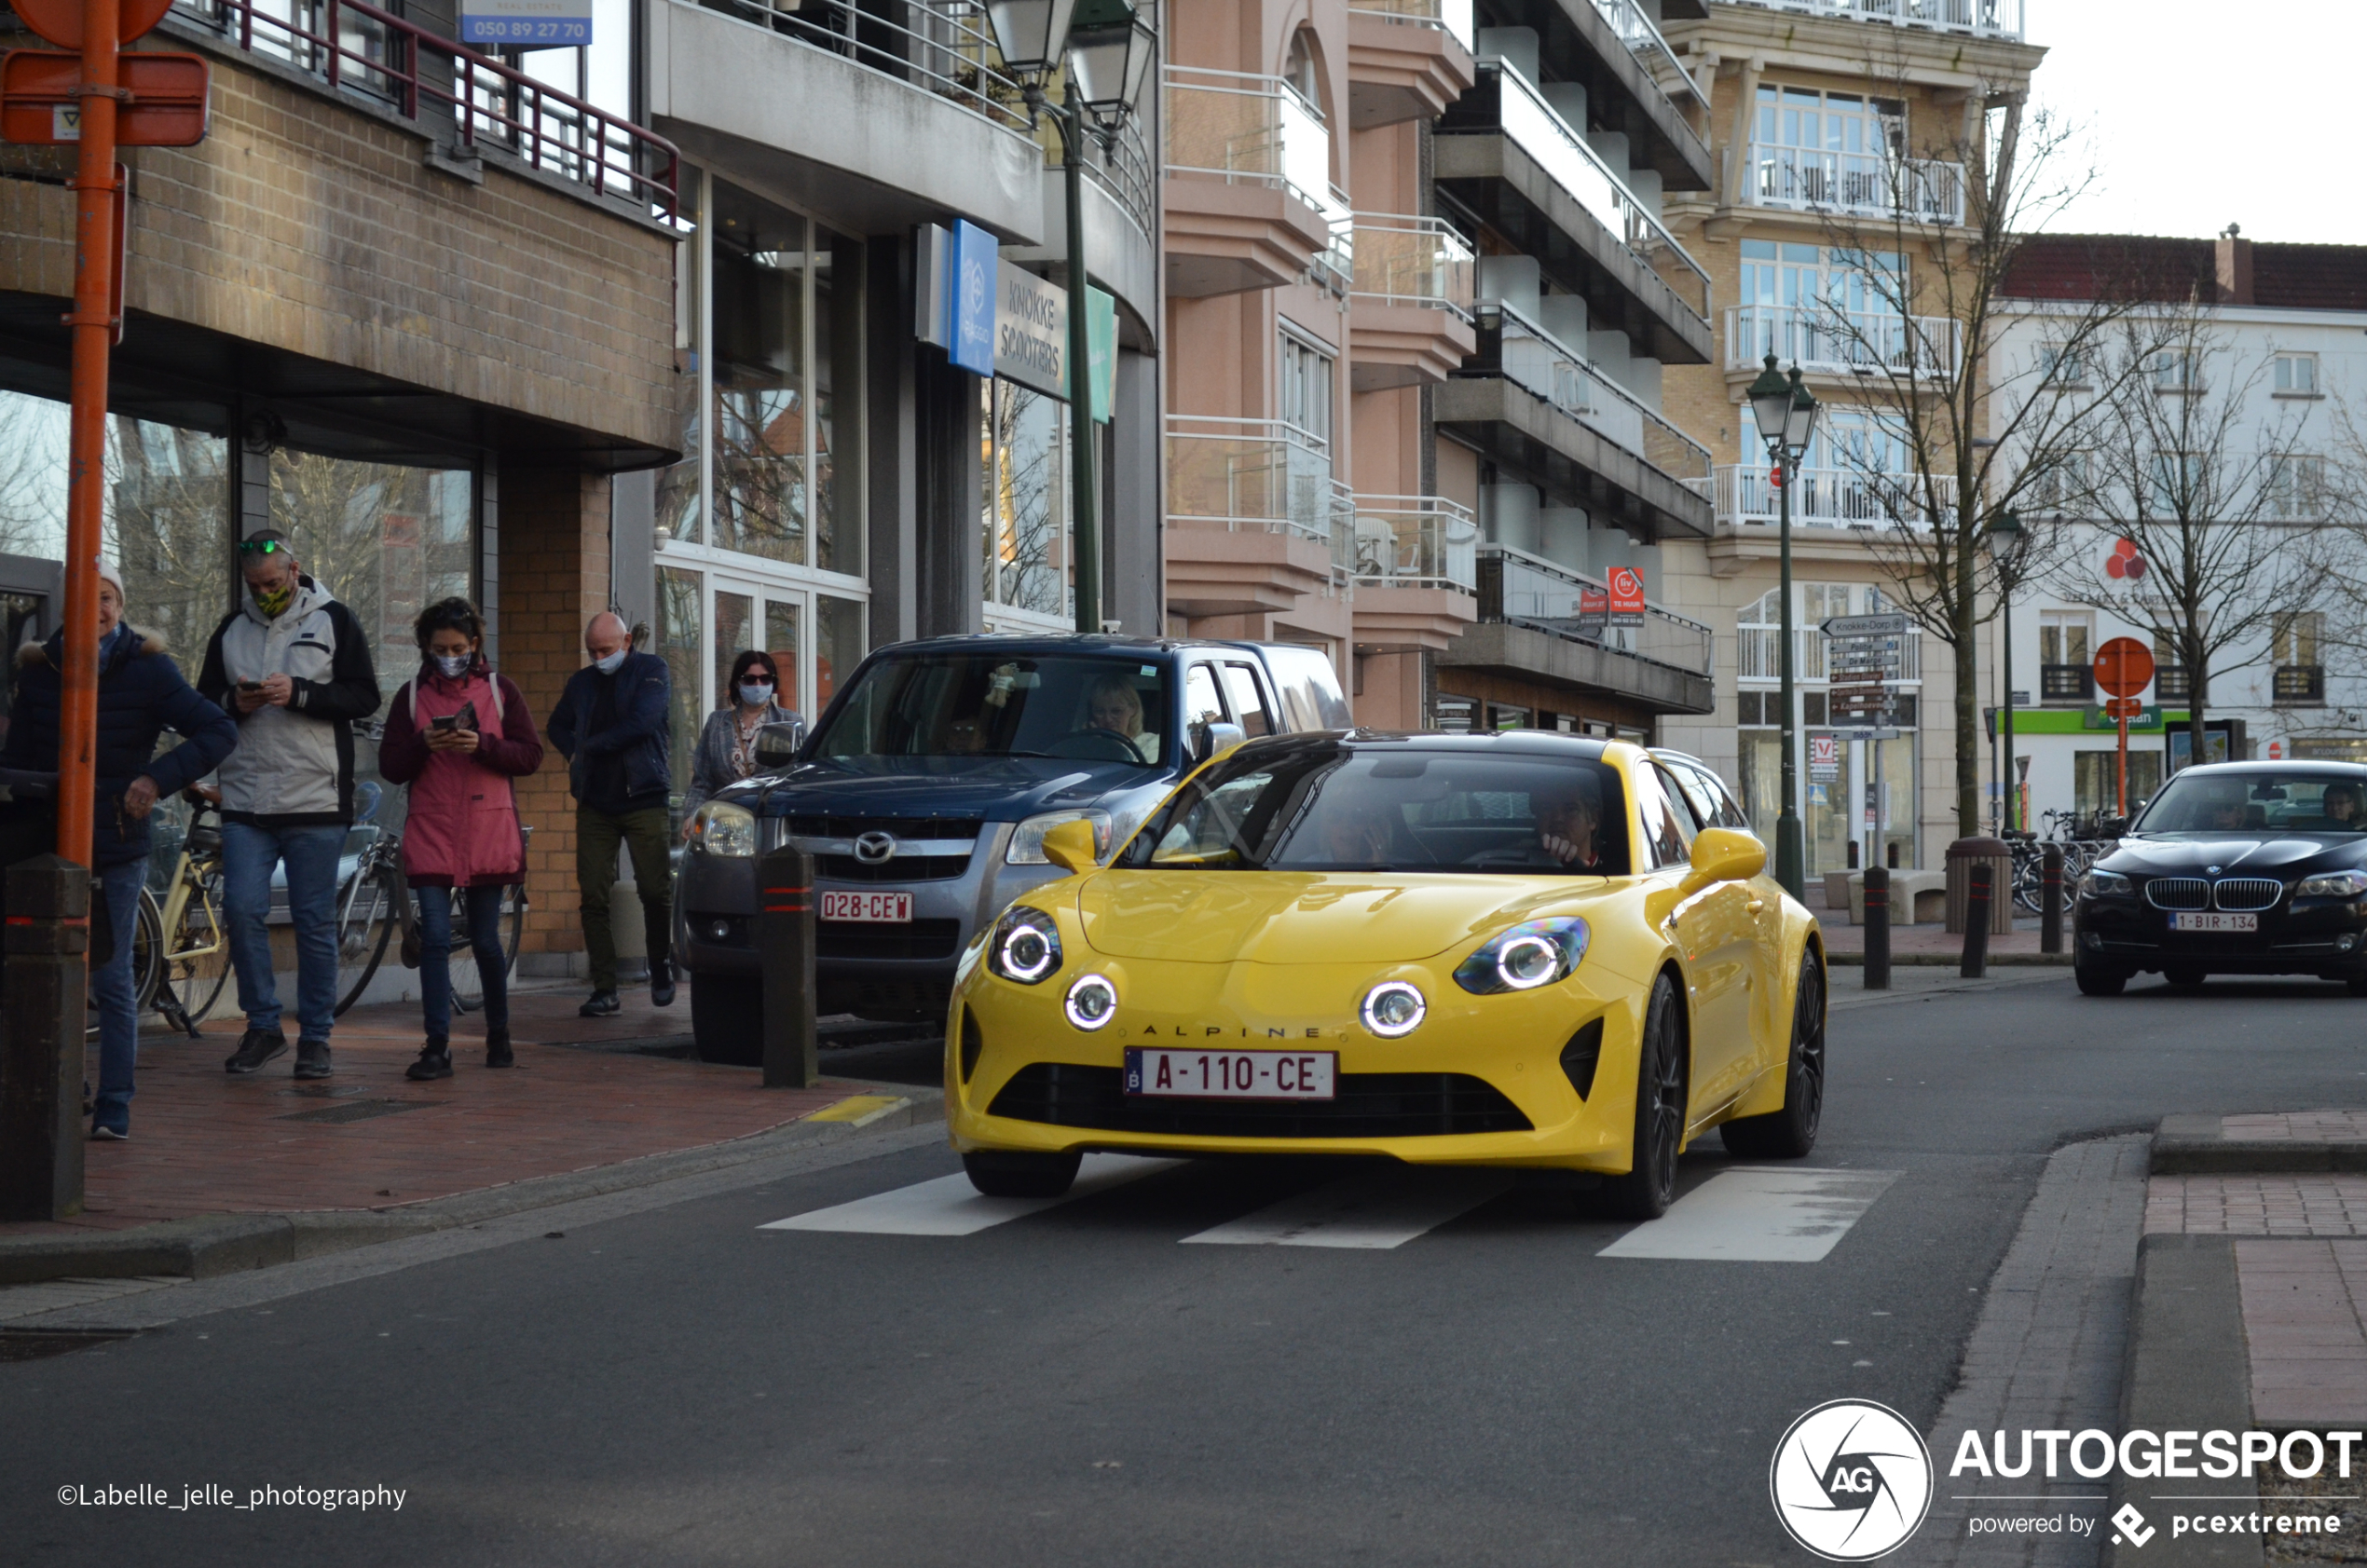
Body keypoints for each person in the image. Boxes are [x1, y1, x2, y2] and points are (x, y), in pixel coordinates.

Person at [0, 564, 236, 1139]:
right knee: (31, 969)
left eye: (106, 599)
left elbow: (218, 730)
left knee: (109, 976)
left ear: (120, 605)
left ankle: (114, 1105)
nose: (97, 610)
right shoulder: (40, 670)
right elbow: (22, 759)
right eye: (86, 599)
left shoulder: (149, 668)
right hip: (44, 842)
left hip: (115, 842)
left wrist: (156, 780)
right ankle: (53, 1090)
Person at [197, 532, 381, 1081]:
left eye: (274, 583)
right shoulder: (230, 629)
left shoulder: (334, 619)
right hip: (247, 796)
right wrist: (236, 701)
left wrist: (300, 693)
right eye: (256, 586)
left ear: (295, 570)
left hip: (316, 796)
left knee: (313, 922)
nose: (265, 593)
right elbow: (202, 703)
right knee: (243, 910)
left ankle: (316, 1039)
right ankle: (263, 1027)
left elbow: (364, 695)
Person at [376, 598, 543, 1081]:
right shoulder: (410, 696)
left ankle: (499, 1033)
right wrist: (422, 743)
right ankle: (436, 1047)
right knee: (432, 939)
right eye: (439, 648)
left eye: (458, 647)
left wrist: (483, 745)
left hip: (488, 830)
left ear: (474, 645)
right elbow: (391, 766)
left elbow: (530, 755)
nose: (449, 655)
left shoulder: (500, 689)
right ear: (425, 648)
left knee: (487, 940)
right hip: (432, 828)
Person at [547, 612, 674, 1017]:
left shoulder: (651, 670)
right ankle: (605, 987)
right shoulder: (581, 683)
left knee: (654, 890)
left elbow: (643, 723)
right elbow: (556, 725)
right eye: (592, 651)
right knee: (593, 894)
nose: (599, 657)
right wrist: (573, 751)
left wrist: (589, 747)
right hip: (595, 803)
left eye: (606, 649)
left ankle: (660, 966)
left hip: (644, 796)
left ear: (627, 642)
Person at [686, 649, 800, 812]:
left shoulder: (790, 722)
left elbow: (795, 779)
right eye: (750, 679)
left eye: (765, 679)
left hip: (771, 816)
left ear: (774, 682)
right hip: (724, 820)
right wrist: (692, 814)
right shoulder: (716, 723)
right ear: (737, 683)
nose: (758, 685)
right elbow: (702, 782)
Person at [1083, 675, 1158, 763]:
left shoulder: (1152, 744)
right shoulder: (1083, 745)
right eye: (1100, 711)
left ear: (1133, 709)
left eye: (1116, 711)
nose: (1108, 719)